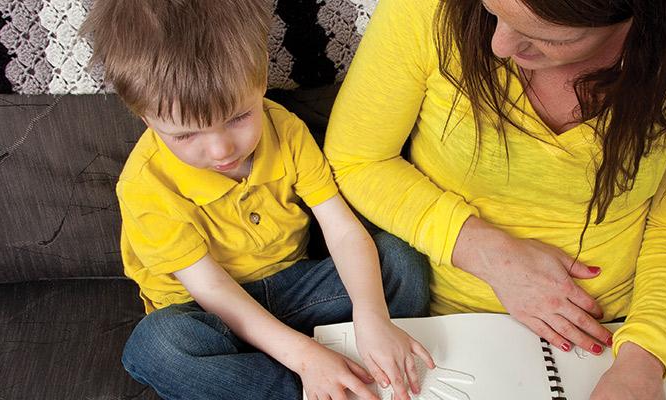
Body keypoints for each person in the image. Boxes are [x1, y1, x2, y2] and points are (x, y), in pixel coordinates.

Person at [324, 0, 666, 397]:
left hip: (617, 332)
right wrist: (486, 252)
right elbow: (357, 160)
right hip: (437, 326)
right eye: (492, 9)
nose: (499, 45)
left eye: (550, 36)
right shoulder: (424, 9)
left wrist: (644, 357)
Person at [82, 1, 435, 398]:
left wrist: (373, 317)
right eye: (185, 135)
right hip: (210, 314)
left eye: (237, 117)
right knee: (158, 346)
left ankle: (336, 357)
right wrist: (305, 359)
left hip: (293, 289)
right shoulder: (145, 185)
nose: (221, 150)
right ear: (146, 118)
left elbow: (341, 229)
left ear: (262, 76)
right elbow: (212, 290)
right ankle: (302, 384)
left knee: (399, 260)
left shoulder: (284, 129)